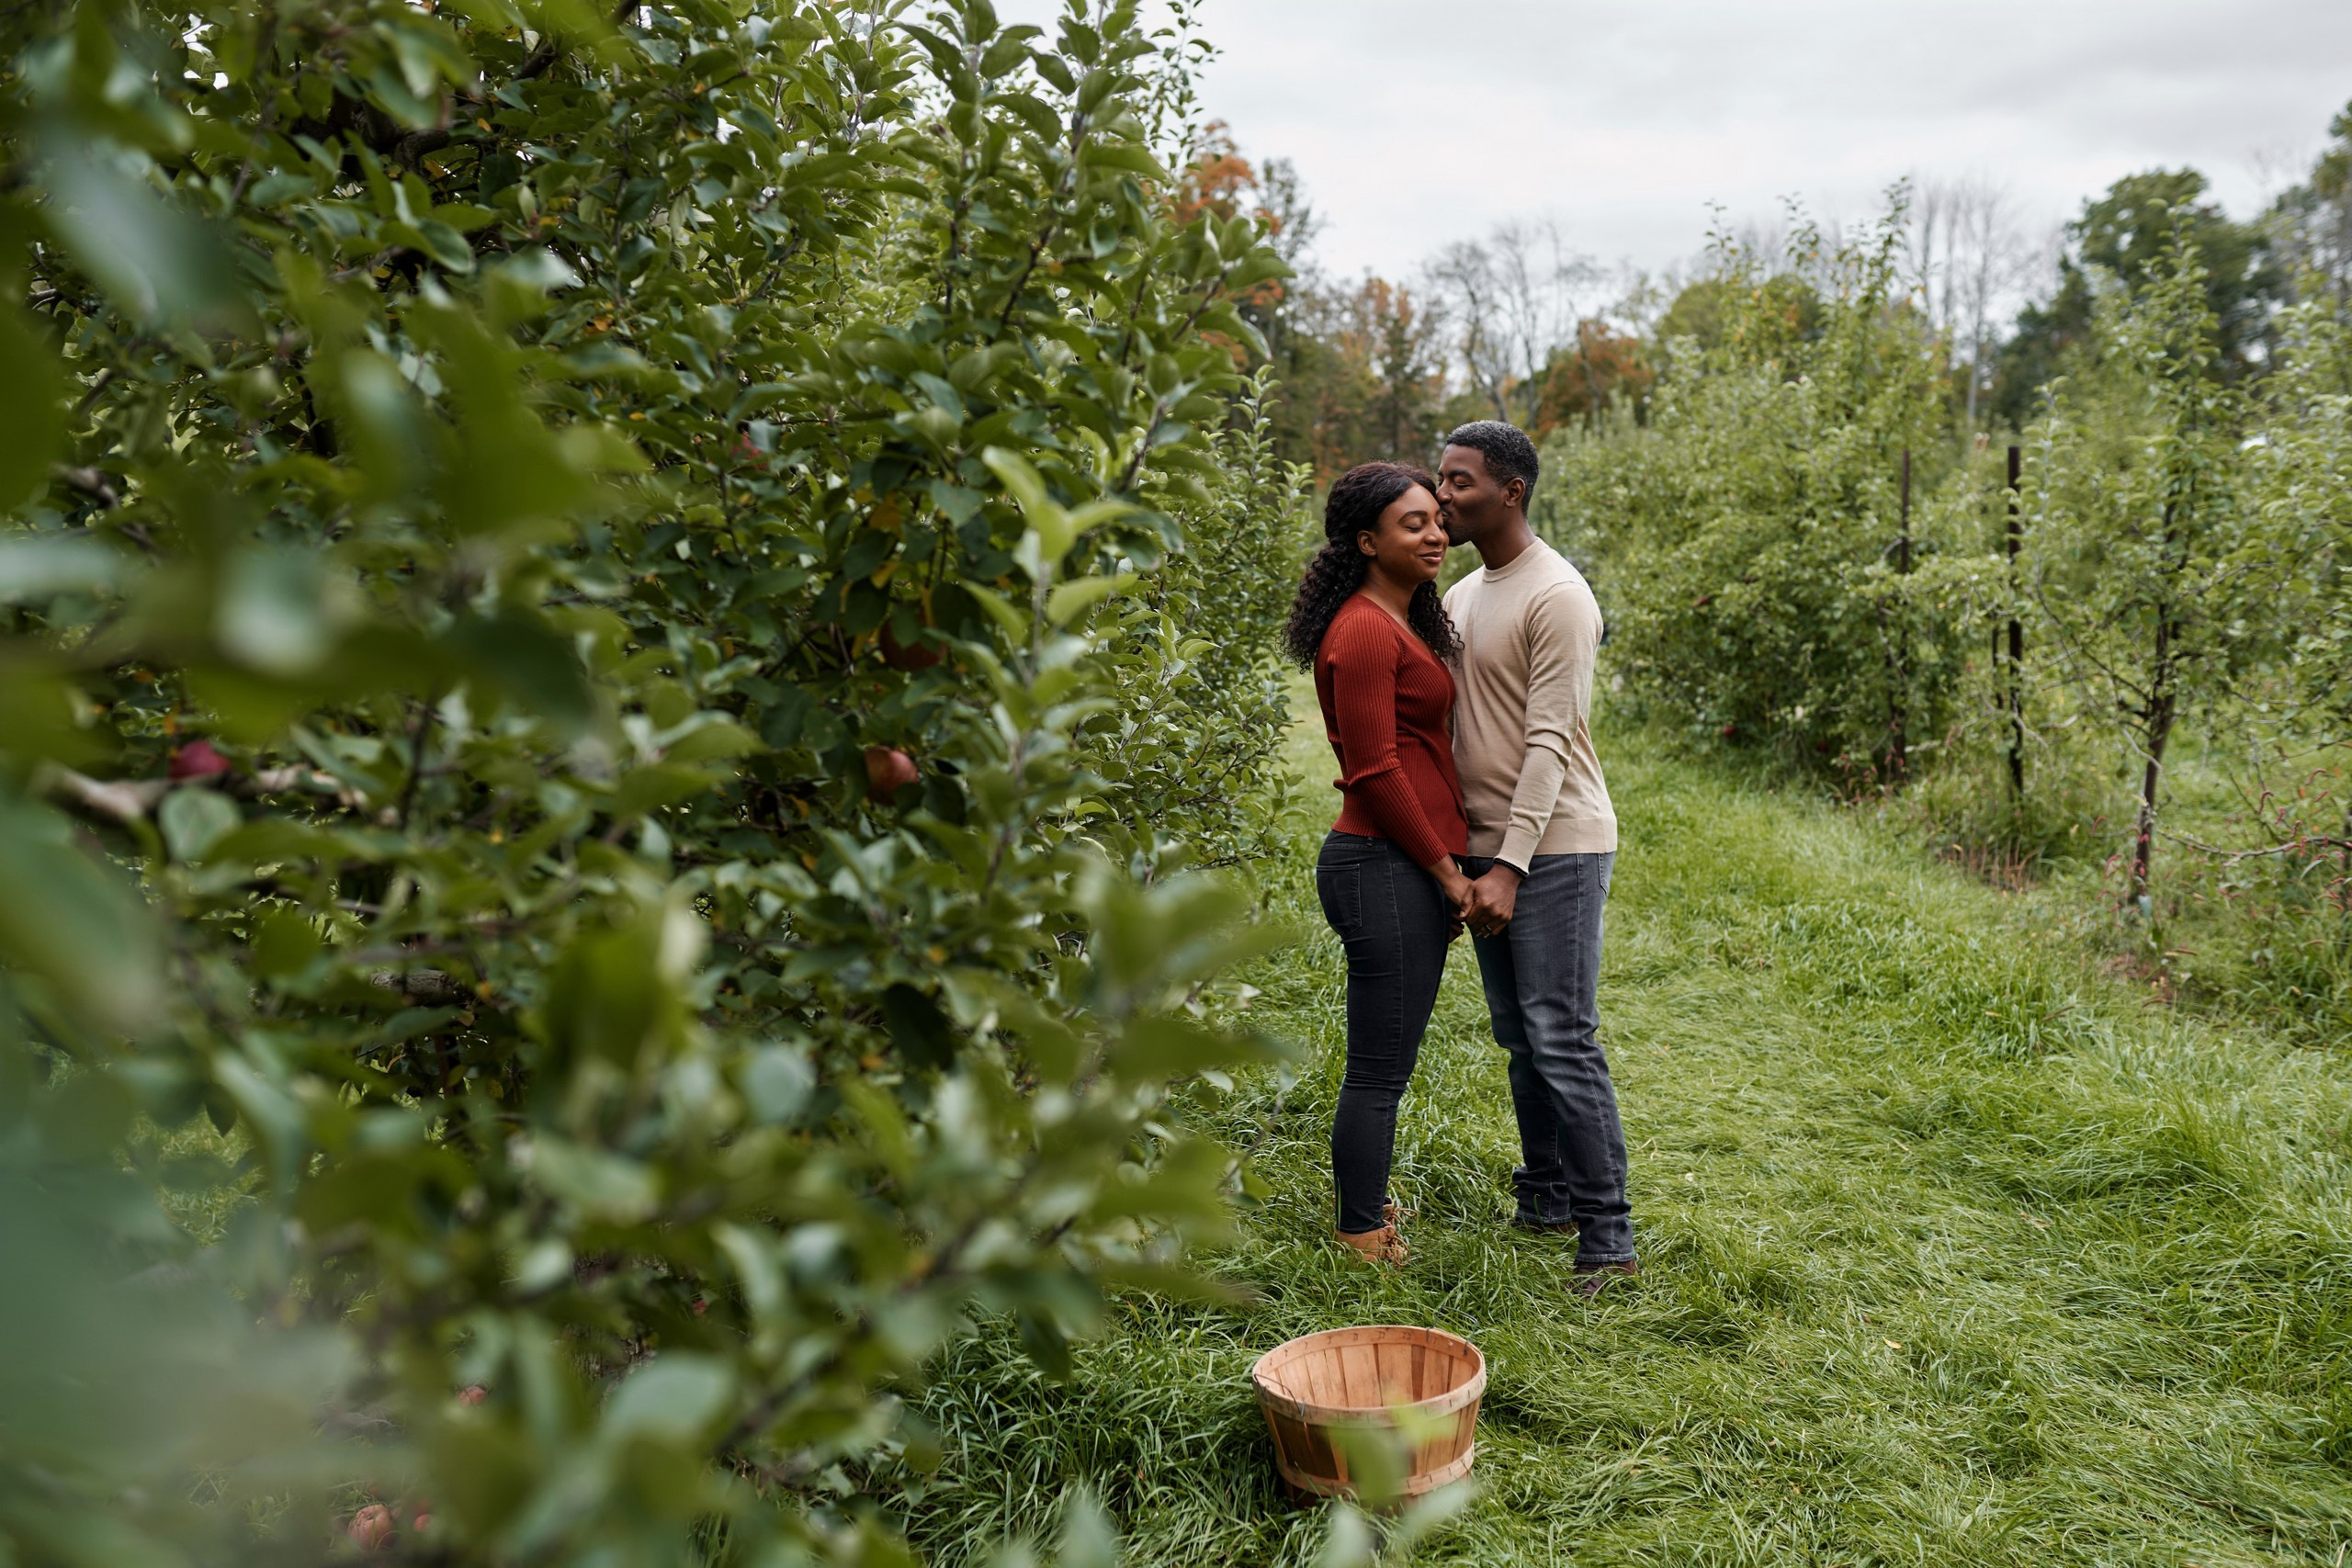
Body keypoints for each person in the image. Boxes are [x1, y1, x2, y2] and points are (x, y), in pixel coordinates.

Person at [1435, 421, 1638, 1295]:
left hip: (1554, 847)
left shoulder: (1557, 594)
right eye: (1440, 478)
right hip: (1487, 848)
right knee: (1522, 1039)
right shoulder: (1463, 594)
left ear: (1511, 490)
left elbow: (1550, 742)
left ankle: (1609, 1238)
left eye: (1460, 481)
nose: (1442, 494)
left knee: (1562, 1036)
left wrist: (1511, 865)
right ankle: (1545, 1195)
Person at [1283, 462, 1473, 1266]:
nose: (1434, 534)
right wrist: (1445, 870)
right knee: (1377, 1069)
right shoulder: (1363, 629)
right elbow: (1374, 769)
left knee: (1387, 1059)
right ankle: (1361, 1233)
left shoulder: (1401, 621)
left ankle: (1365, 1207)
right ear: (1367, 541)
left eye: (1436, 518)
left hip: (1399, 866)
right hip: (1383, 864)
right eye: (1412, 523)